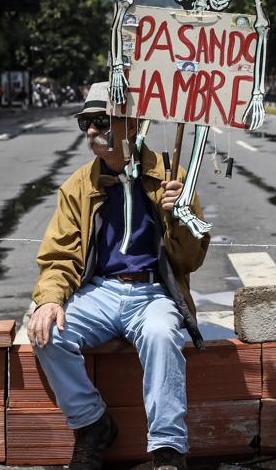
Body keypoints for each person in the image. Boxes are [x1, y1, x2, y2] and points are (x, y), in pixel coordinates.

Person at [28, 82, 209, 470]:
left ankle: (168, 450)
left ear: (133, 124)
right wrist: (49, 299)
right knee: (47, 333)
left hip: (152, 293)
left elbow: (192, 258)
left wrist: (177, 215)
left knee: (163, 335)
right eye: (86, 123)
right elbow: (60, 254)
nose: (91, 131)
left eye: (100, 121)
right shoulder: (79, 185)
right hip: (100, 293)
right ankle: (93, 424)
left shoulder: (170, 177)